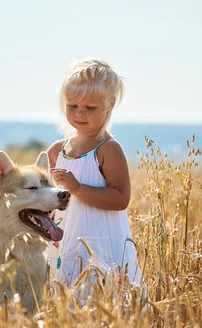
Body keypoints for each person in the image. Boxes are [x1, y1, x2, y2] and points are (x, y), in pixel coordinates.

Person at [46, 59, 141, 289]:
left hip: (101, 241)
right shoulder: (57, 151)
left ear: (110, 104)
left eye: (90, 108)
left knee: (101, 291)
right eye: (72, 106)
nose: (80, 114)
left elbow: (120, 199)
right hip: (64, 237)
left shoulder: (108, 149)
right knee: (63, 293)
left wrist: (77, 189)